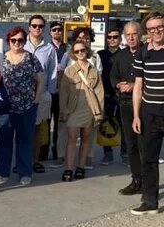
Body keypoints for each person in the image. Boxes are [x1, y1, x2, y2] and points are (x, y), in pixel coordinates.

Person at [0, 27, 44, 185]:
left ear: (24, 41)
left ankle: (25, 173)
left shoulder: (31, 58)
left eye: (20, 40)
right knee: (3, 142)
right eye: (13, 40)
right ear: (8, 41)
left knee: (25, 142)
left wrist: (35, 101)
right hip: (4, 108)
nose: (17, 43)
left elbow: (41, 80)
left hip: (27, 107)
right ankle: (3, 173)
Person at [131, 12, 164, 215]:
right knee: (148, 159)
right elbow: (138, 86)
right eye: (152, 29)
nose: (156, 31)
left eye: (160, 27)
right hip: (149, 113)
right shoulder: (143, 53)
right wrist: (136, 114)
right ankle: (150, 201)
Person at [59, 39, 104, 182]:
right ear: (73, 54)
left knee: (86, 138)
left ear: (87, 51)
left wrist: (99, 113)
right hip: (73, 109)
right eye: (76, 51)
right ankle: (68, 168)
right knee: (72, 138)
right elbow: (63, 92)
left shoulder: (94, 71)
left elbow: (99, 93)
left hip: (89, 108)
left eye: (82, 50)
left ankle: (81, 167)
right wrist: (63, 110)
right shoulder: (69, 71)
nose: (80, 53)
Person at [110, 22, 143, 195]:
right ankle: (136, 179)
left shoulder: (148, 53)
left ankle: (147, 181)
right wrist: (118, 85)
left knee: (145, 144)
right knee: (131, 144)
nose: (131, 37)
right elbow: (112, 76)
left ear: (140, 34)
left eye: (134, 34)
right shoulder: (120, 56)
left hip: (145, 104)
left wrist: (133, 85)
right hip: (125, 104)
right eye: (127, 34)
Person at [24, 15, 57, 167]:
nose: (37, 28)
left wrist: (49, 92)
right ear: (29, 27)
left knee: (37, 129)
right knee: (23, 130)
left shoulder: (49, 49)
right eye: (34, 25)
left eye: (41, 26)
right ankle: (22, 161)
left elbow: (52, 73)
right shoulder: (20, 44)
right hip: (22, 95)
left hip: (41, 94)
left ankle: (35, 161)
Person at [98, 27, 124, 165]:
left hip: (122, 94)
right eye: (110, 37)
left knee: (124, 124)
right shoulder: (100, 54)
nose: (112, 39)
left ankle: (124, 152)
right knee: (105, 125)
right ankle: (107, 153)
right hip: (106, 94)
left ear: (120, 39)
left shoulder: (125, 54)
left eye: (115, 37)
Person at [48, 21, 68, 163]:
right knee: (45, 122)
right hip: (49, 89)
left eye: (59, 30)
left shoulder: (68, 48)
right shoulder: (46, 47)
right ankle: (43, 151)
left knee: (60, 122)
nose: (57, 32)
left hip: (62, 90)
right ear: (50, 32)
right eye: (54, 30)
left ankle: (57, 151)